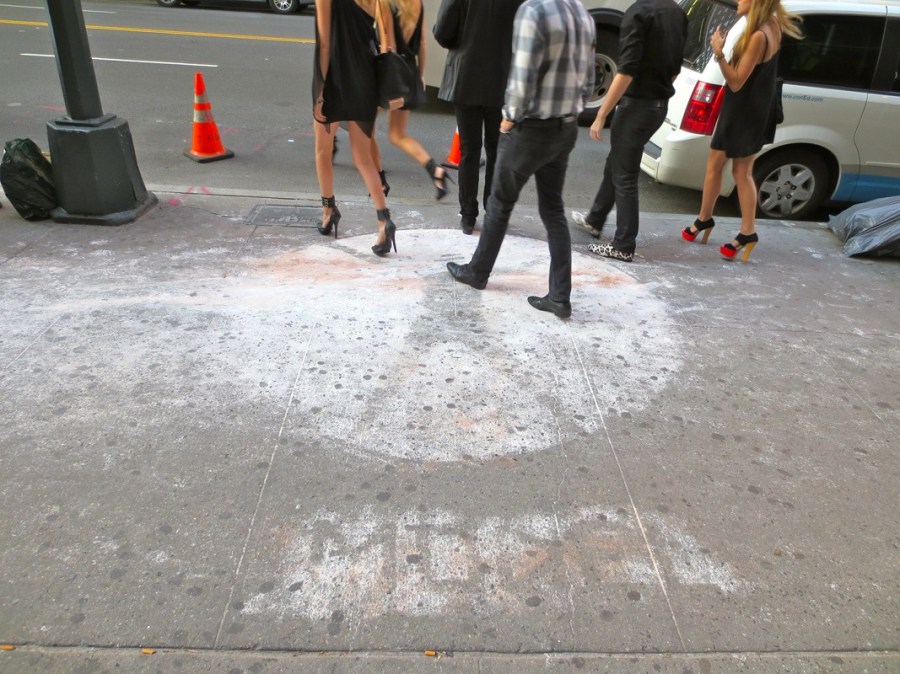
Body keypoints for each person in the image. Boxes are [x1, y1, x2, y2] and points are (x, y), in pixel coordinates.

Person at [446, 0, 595, 319]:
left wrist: (510, 117)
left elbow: (523, 74)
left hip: (532, 128)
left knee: (500, 204)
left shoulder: (534, 10)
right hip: (565, 126)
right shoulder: (582, 14)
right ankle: (560, 296)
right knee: (553, 209)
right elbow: (588, 80)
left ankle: (478, 272)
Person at [682, 0, 802, 261]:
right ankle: (720, 224)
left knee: (724, 168)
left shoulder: (758, 35)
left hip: (742, 111)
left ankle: (725, 225)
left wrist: (719, 53)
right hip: (755, 109)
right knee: (737, 171)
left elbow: (736, 82)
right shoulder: (773, 25)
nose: (737, 1)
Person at [570, 0, 687, 263]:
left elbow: (626, 71)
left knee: (624, 175)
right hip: (658, 106)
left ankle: (623, 245)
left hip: (636, 107)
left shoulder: (638, 13)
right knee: (617, 163)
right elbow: (675, 68)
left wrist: (602, 113)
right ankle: (595, 219)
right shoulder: (677, 12)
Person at [313, 0, 401, 256]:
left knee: (323, 151)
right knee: (362, 156)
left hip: (334, 79)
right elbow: (387, 42)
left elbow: (325, 43)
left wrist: (320, 92)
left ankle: (328, 212)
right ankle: (384, 220)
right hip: (364, 78)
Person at [433, 0, 525, 234]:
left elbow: (443, 32)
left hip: (466, 76)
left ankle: (468, 216)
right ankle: (492, 212)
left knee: (469, 149)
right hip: (502, 78)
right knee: (496, 150)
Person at [370, 0, 451, 201]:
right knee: (397, 135)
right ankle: (435, 171)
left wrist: (384, 82)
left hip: (392, 74)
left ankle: (379, 180)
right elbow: (423, 43)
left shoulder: (385, 3)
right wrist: (420, 75)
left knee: (364, 128)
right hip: (409, 72)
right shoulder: (417, 3)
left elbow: (388, 45)